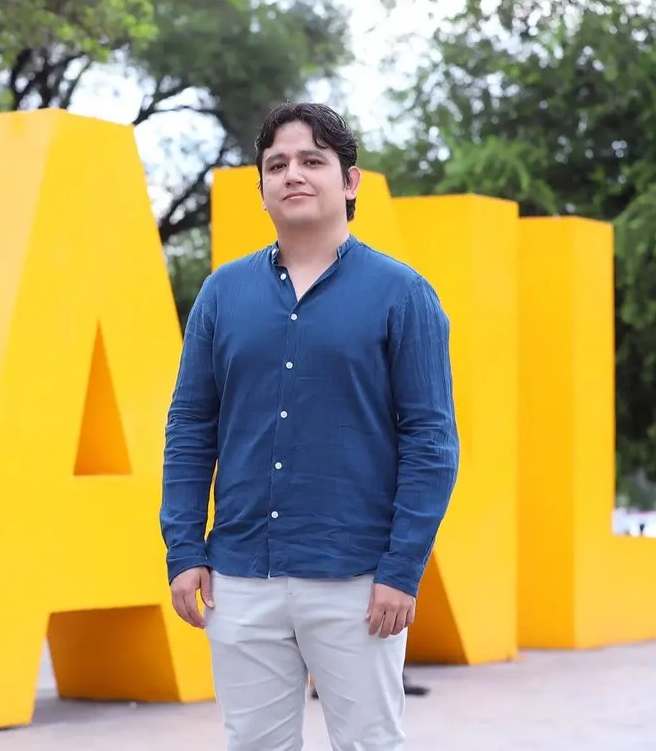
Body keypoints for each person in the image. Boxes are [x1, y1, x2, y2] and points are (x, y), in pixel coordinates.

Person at [159, 102, 460, 751]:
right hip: (240, 575)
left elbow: (432, 442)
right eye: (278, 164)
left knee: (369, 743)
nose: (293, 173)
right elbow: (190, 426)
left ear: (349, 182)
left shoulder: (403, 294)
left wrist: (402, 569)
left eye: (312, 160)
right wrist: (185, 549)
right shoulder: (221, 294)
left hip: (358, 580)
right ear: (263, 185)